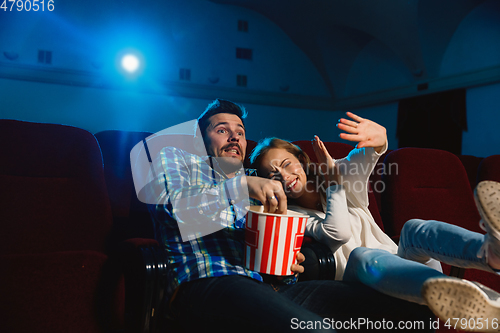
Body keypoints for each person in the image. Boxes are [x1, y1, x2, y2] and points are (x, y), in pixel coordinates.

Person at [147, 99, 435, 333]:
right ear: (199, 140)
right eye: (222, 130)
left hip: (266, 287)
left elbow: (269, 254)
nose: (234, 135)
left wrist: (285, 265)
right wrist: (241, 186)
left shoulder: (256, 183)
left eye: (241, 131)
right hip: (207, 282)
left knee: (409, 312)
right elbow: (175, 209)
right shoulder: (178, 160)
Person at [249, 111, 500, 330]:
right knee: (361, 255)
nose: (284, 176)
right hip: (361, 285)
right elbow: (338, 233)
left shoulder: (337, 171)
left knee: (413, 227)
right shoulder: (290, 216)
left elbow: (365, 156)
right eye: (273, 175)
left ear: (301, 160)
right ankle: (457, 295)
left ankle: (489, 252)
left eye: (286, 164)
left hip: (405, 273)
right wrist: (335, 183)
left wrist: (380, 138)